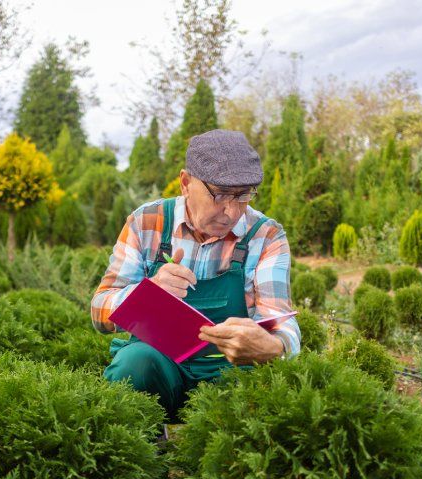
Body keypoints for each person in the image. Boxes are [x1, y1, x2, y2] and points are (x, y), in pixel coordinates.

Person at [91, 128, 301, 421]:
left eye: (243, 195)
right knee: (134, 363)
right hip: (158, 364)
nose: (231, 211)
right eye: (220, 194)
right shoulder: (147, 222)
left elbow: (281, 321)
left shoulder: (266, 235)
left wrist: (276, 346)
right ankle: (142, 456)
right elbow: (99, 310)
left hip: (230, 369)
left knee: (263, 395)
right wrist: (147, 293)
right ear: (186, 183)